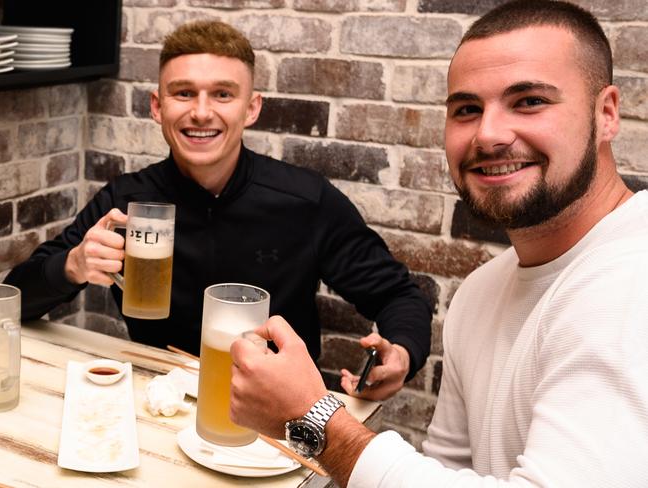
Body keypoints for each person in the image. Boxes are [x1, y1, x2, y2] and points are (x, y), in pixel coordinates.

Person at [228, 1, 648, 486]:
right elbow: (448, 466)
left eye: (529, 101)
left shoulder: (632, 276)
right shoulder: (480, 292)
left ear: (607, 113)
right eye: (467, 109)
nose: (489, 135)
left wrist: (315, 417)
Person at [3, 20, 432, 400]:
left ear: (251, 108)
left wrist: (401, 351)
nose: (201, 112)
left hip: (276, 407)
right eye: (183, 93)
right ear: (157, 106)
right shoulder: (125, 199)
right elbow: (13, 303)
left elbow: (398, 295)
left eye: (222, 94)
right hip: (157, 398)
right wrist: (72, 266)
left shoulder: (306, 199)